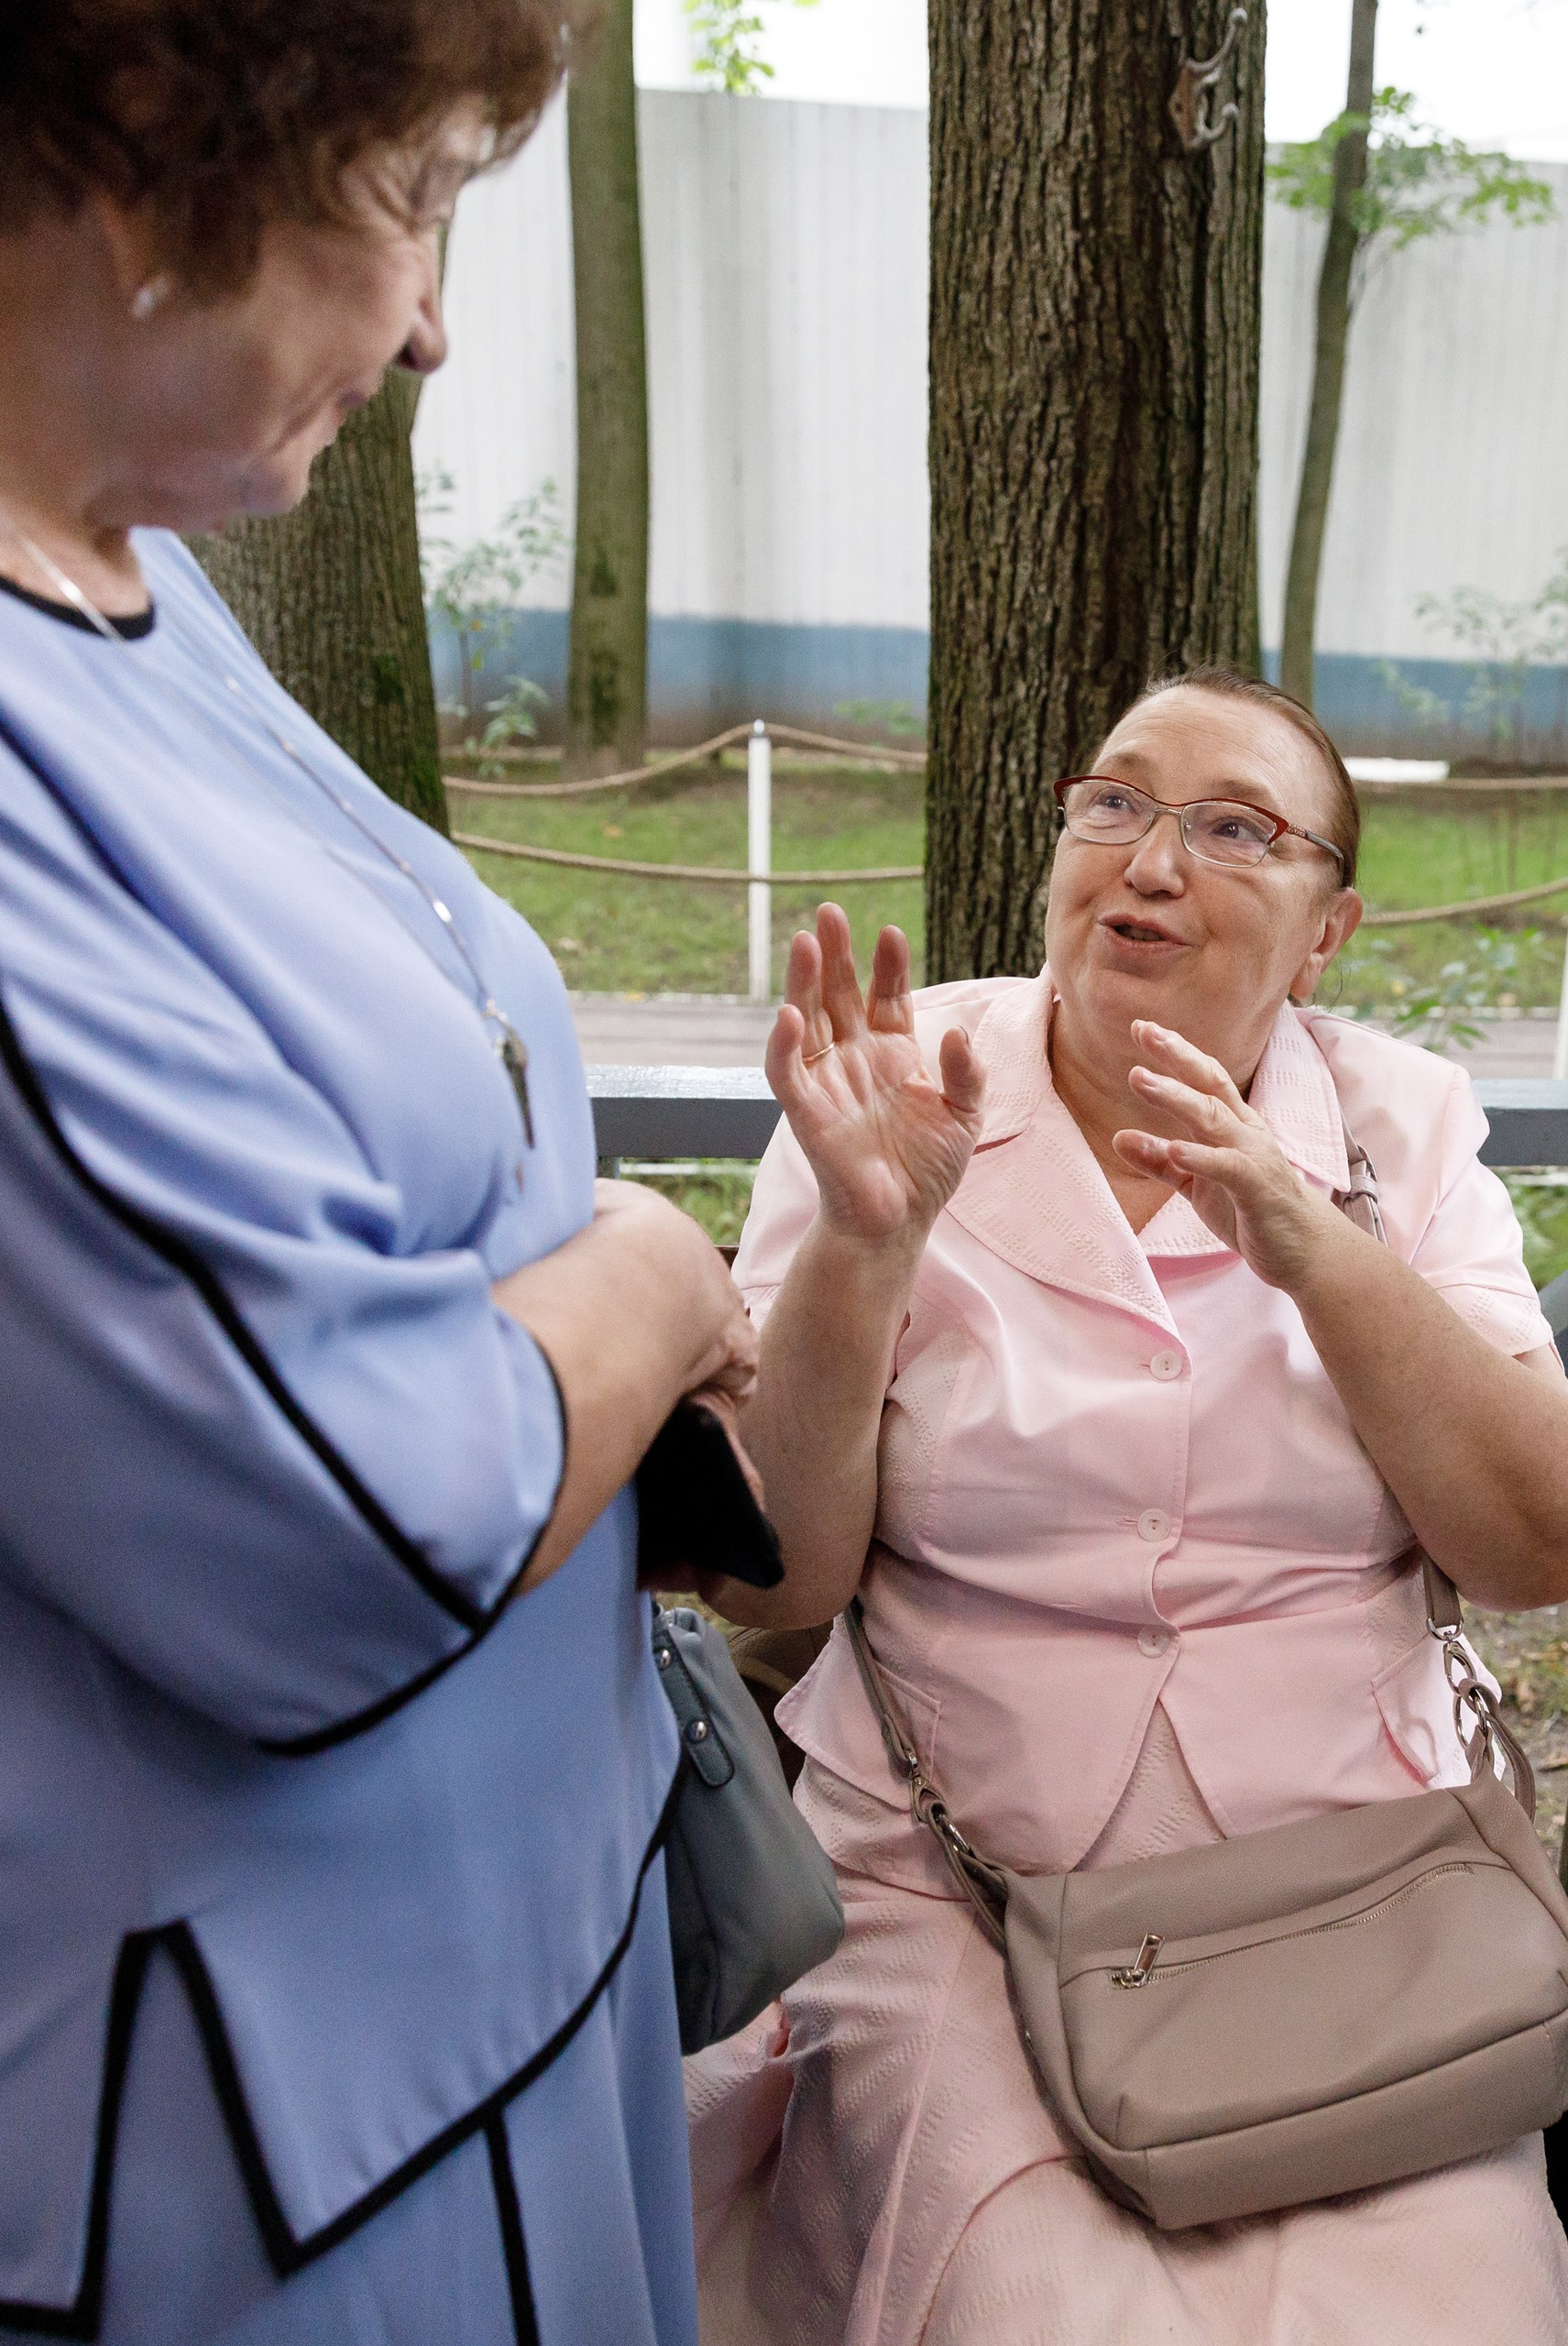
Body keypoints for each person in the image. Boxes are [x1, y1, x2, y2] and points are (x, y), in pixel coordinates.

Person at [0, 5, 764, 2338]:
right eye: (408, 194)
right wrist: (644, 1272)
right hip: (257, 2156)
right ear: (148, 138)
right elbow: (337, 1520)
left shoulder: (132, 573)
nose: (433, 318)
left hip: (505, 1990)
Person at [685, 667, 1568, 2341]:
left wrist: (1308, 1235)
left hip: (1347, 1885)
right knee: (1036, 2308)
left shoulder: (1394, 1130)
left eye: (1235, 829)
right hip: (966, 1874)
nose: (1149, 859)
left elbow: (1546, 1546)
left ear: (1329, 927)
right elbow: (783, 1581)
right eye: (1112, 803)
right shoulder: (903, 1086)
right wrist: (865, 1248)